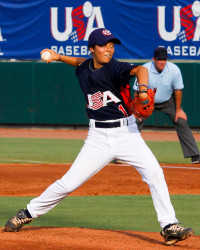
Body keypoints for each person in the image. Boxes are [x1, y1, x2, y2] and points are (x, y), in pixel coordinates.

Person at [3, 28, 194, 246]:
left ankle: (169, 226)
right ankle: (27, 212)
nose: (109, 49)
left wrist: (142, 89)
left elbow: (141, 69)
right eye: (104, 45)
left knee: (155, 173)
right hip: (98, 138)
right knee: (68, 183)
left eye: (112, 45)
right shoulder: (85, 68)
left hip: (127, 134)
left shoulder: (116, 68)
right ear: (92, 49)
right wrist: (58, 57)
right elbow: (79, 62)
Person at [133, 47, 200, 164]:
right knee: (134, 122)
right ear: (154, 59)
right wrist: (135, 110)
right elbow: (137, 91)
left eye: (164, 59)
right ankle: (123, 155)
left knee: (181, 121)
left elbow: (178, 90)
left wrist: (178, 110)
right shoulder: (144, 69)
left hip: (167, 101)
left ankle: (195, 155)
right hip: (147, 101)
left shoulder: (174, 70)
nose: (162, 62)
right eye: (159, 59)